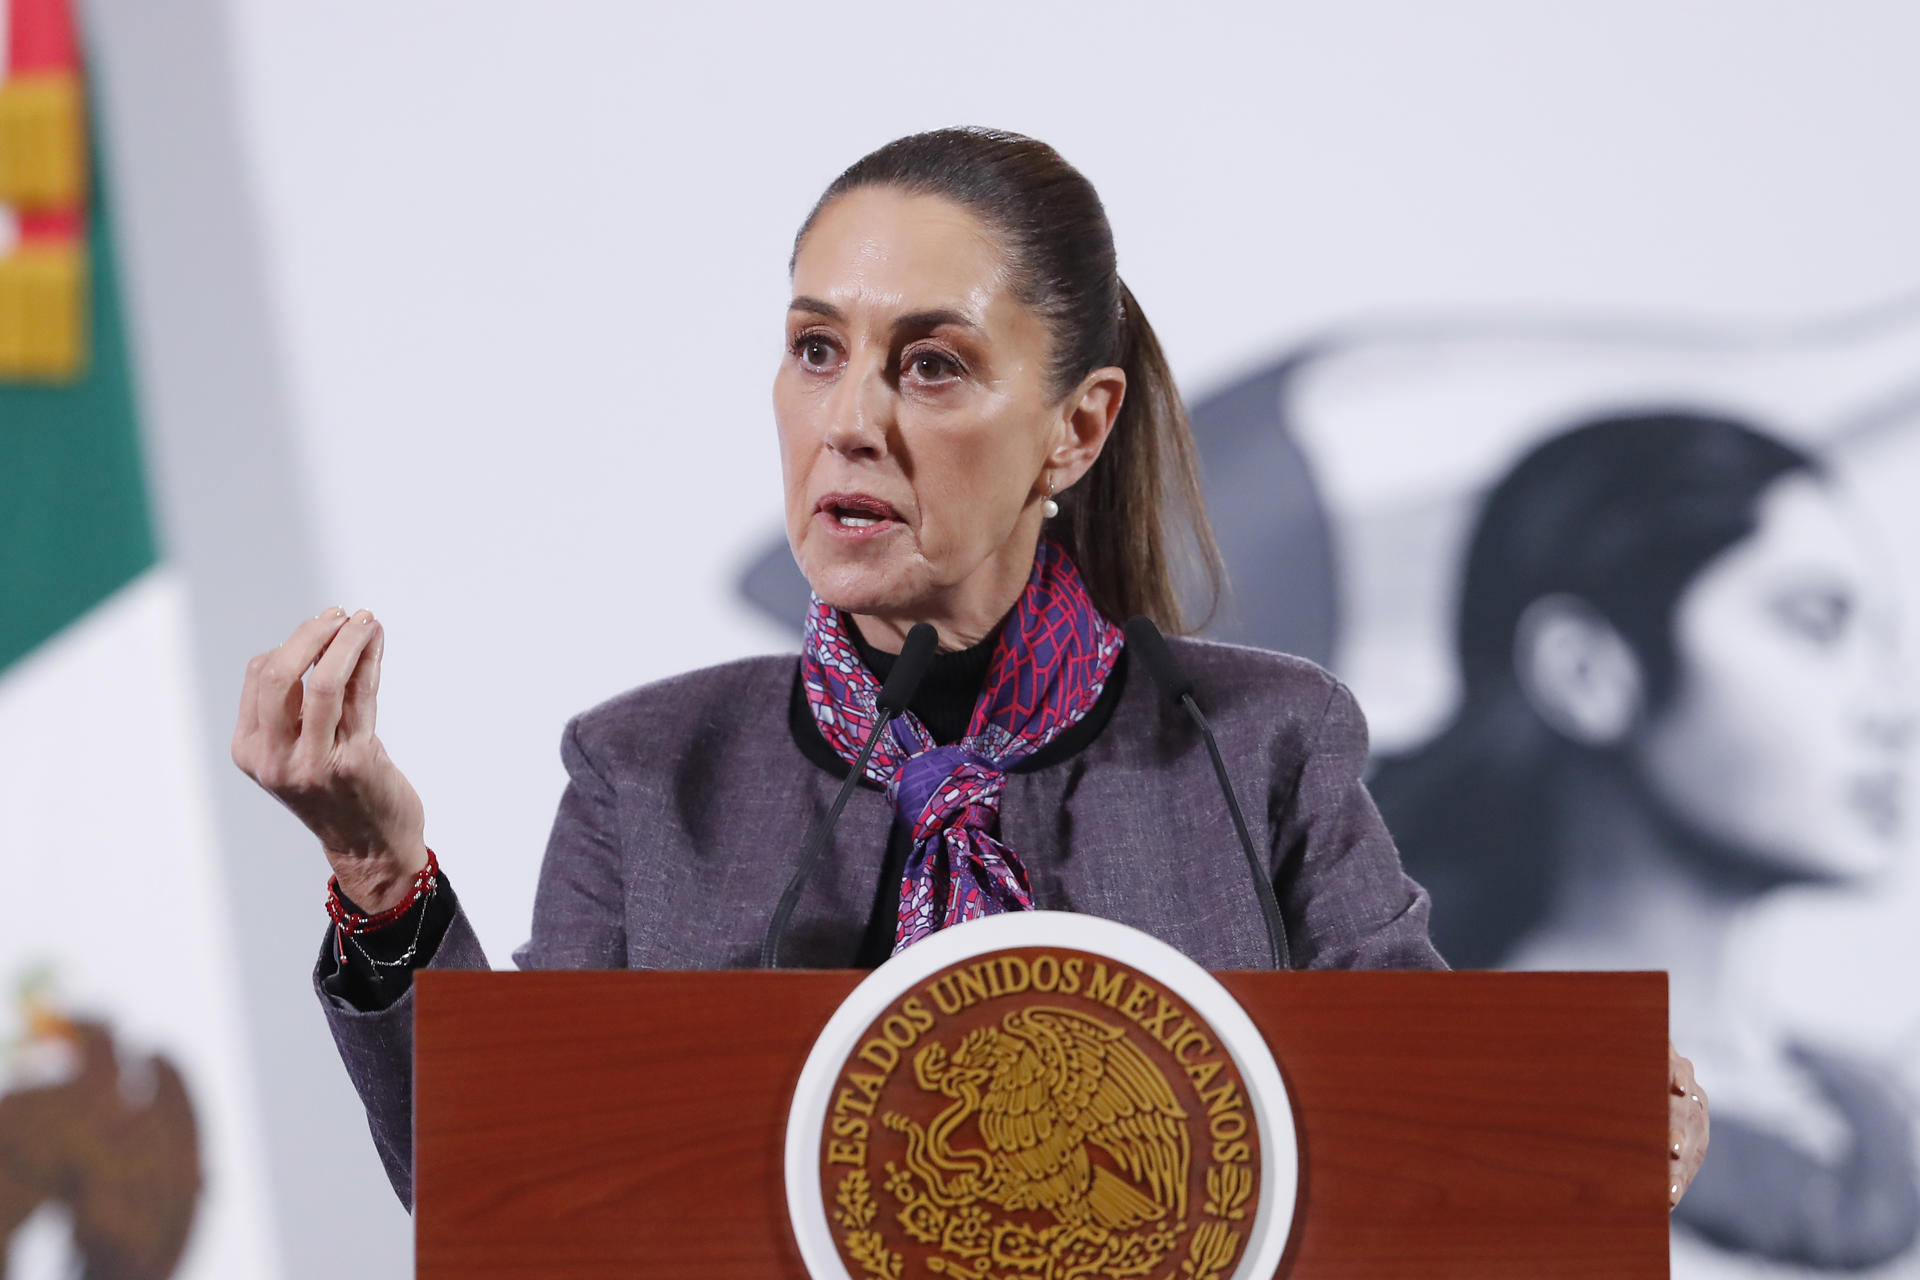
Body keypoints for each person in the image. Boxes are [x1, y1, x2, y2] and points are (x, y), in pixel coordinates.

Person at [228, 128, 1709, 1213]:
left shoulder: (1265, 746)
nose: (850, 421)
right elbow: (513, 1188)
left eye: (929, 365)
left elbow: (1429, 1142)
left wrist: (1594, 1127)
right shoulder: (645, 771)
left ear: (1075, 427)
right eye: (817, 351)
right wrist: (378, 864)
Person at [1372, 411, 1914, 1270]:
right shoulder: (1448, 1127)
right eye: (1815, 623)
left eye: (1880, 642)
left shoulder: (1872, 1105)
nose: (1892, 711)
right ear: (1584, 670)